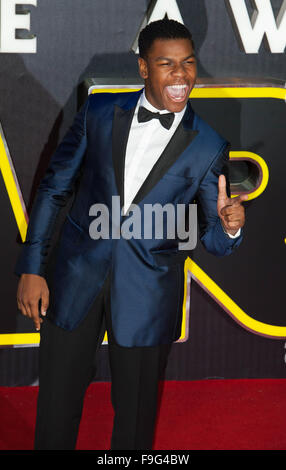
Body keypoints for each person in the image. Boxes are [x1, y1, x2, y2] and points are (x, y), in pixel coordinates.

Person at [15, 19, 247, 450]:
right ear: (143, 68)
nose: (181, 75)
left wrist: (230, 227)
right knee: (55, 412)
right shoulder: (101, 112)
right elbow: (53, 188)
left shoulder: (209, 144)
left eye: (188, 64)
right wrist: (32, 267)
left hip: (147, 297)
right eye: (167, 64)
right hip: (75, 281)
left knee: (135, 429)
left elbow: (214, 239)